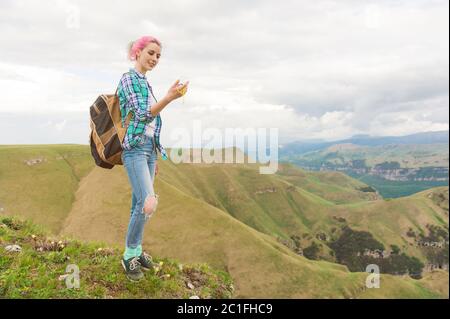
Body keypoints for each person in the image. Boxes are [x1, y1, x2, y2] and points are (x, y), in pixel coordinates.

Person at [117, 35, 189, 281]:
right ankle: (129, 257)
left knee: (139, 205)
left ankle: (135, 250)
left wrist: (154, 157)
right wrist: (169, 98)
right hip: (135, 149)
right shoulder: (129, 79)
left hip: (147, 150)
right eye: (150, 53)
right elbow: (141, 115)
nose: (155, 58)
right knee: (148, 203)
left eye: (158, 55)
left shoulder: (144, 83)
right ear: (137, 52)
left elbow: (150, 125)